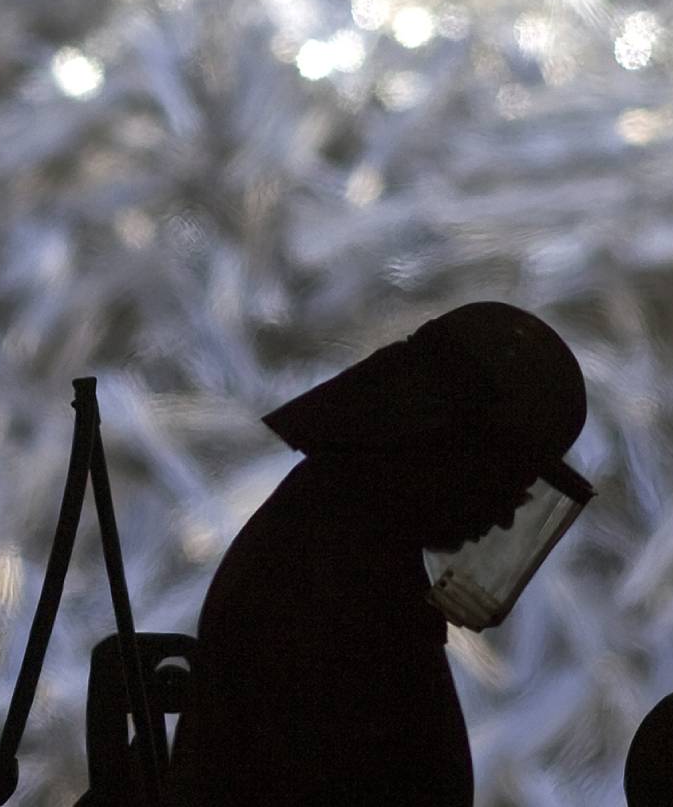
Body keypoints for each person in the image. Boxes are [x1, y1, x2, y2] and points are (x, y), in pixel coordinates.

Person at [165, 302, 587, 805]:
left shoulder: (344, 532)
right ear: (447, 443)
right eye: (505, 477)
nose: (506, 511)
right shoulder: (328, 568)